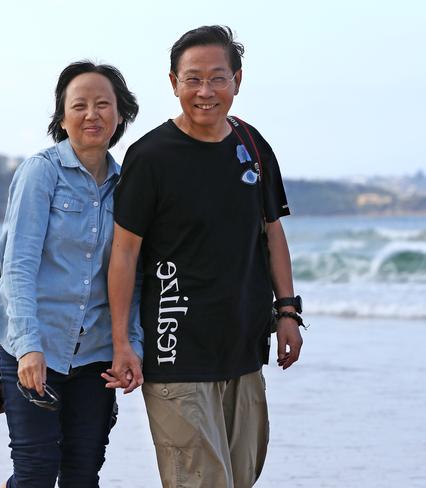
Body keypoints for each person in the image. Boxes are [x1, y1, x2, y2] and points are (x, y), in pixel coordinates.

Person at [104, 26, 304, 488]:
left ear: (237, 79)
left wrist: (288, 312)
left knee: (240, 477)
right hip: (175, 349)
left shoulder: (252, 145)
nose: (205, 91)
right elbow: (124, 253)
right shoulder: (151, 156)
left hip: (244, 347)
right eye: (192, 79)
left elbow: (272, 234)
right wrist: (121, 342)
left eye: (218, 78)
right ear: (172, 82)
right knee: (198, 481)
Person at [0, 60, 141, 488]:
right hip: (35, 343)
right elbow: (18, 266)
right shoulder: (42, 172)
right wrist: (29, 348)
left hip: (96, 352)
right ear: (61, 117)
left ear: (120, 114)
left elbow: (134, 275)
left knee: (82, 473)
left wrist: (133, 346)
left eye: (103, 104)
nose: (92, 114)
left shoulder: (128, 184)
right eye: (80, 105)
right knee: (35, 473)